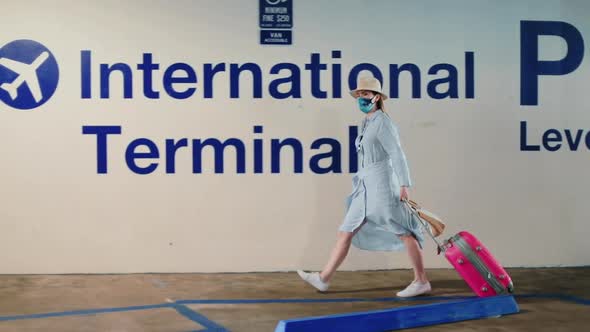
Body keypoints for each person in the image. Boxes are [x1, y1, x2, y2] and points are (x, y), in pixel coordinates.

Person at [297, 76, 431, 298]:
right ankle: (323, 278)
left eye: (366, 95)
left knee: (404, 231)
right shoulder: (366, 122)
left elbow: (397, 153)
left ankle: (421, 281)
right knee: (345, 231)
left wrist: (404, 184)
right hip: (364, 186)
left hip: (383, 184)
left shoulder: (384, 123)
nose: (361, 99)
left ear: (377, 97)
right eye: (359, 95)